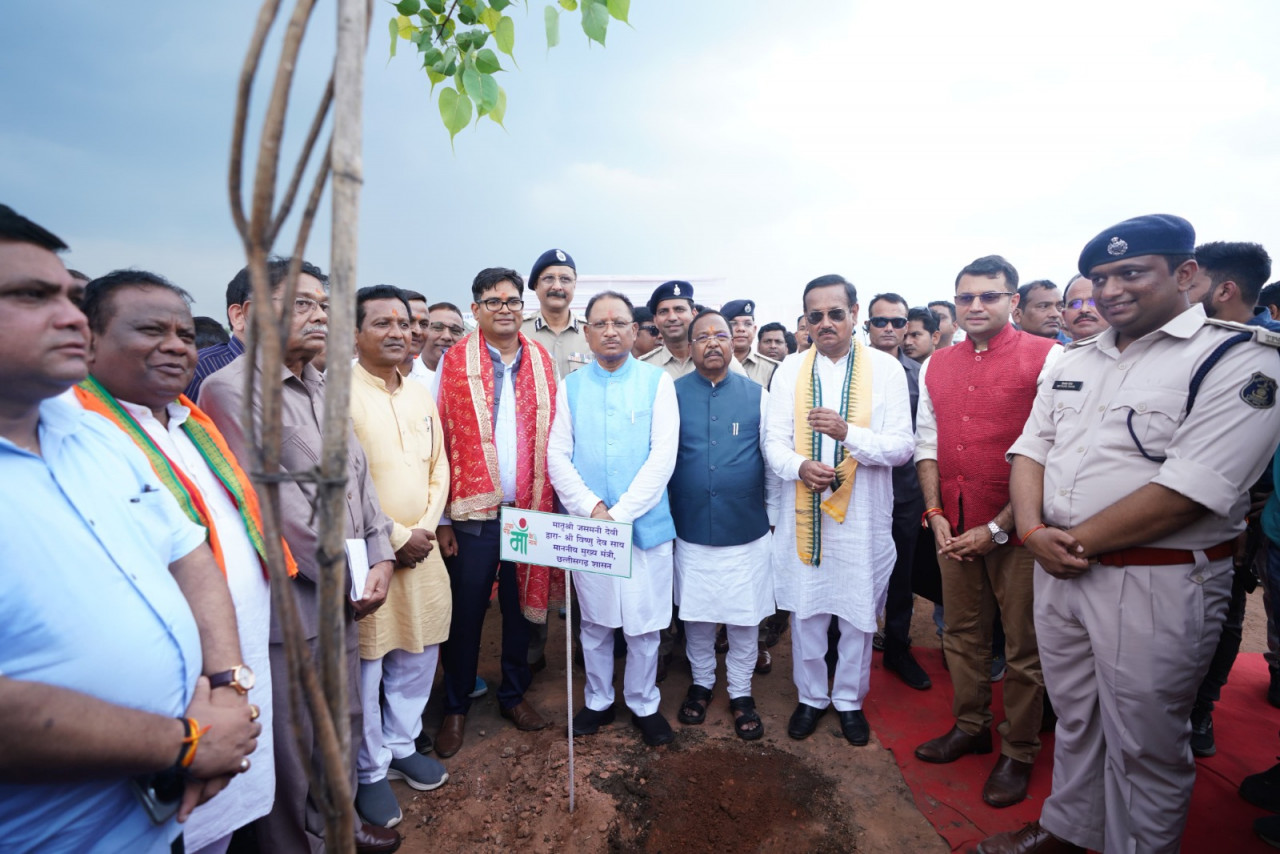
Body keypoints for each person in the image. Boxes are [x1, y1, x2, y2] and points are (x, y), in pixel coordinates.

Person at [979, 214, 1280, 854]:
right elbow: (1031, 450)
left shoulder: (1237, 358)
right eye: (1099, 277)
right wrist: (1032, 530)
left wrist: (1063, 541)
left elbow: (1190, 490)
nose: (1110, 290)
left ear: (1186, 273)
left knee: (1146, 742)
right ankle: (1070, 829)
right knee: (1078, 716)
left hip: (1156, 580)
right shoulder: (1076, 358)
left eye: (1131, 273)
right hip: (1059, 567)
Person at [0, 204, 260, 853]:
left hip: (159, 812)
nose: (71, 318)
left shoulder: (92, 437)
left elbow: (189, 555)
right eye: (33, 295)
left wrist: (228, 686)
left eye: (70, 297)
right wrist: (186, 743)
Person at [74, 269, 287, 854]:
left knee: (224, 822)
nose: (175, 346)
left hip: (234, 672)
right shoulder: (84, 434)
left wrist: (228, 681)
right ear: (88, 339)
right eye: (151, 331)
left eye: (185, 335)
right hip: (169, 702)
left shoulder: (192, 423)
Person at [198, 259, 401, 854]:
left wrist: (382, 554)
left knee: (341, 721)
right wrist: (352, 577)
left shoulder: (324, 385)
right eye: (301, 303)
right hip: (292, 603)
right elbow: (277, 506)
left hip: (347, 591)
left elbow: (359, 481)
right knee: (291, 739)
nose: (319, 316)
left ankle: (337, 825)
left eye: (324, 305)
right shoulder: (230, 391)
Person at [913, 255, 1059, 810]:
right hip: (953, 523)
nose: (975, 306)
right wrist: (935, 512)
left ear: (1013, 302)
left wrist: (998, 528)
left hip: (1020, 530)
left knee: (1023, 648)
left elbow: (1051, 451)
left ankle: (1019, 749)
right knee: (962, 634)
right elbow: (927, 442)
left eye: (989, 296)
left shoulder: (1048, 356)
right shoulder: (936, 364)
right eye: (965, 297)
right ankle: (970, 726)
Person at [766, 274, 913, 747]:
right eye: (816, 316)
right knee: (807, 612)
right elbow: (773, 443)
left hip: (863, 517)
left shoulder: (886, 370)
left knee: (856, 614)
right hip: (804, 510)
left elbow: (902, 448)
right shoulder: (790, 369)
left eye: (835, 313)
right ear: (806, 321)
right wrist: (800, 466)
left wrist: (848, 433)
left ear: (854, 314)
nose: (825, 323)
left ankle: (849, 700)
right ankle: (811, 697)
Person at [433, 267, 563, 758]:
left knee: (518, 608)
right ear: (476, 310)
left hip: (528, 510)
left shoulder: (542, 361)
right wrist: (444, 520)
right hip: (473, 515)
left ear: (522, 308)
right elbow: (440, 439)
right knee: (466, 613)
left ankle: (513, 694)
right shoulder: (454, 363)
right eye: (493, 301)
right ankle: (456, 706)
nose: (504, 309)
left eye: (512, 301)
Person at [548, 291, 679, 746]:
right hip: (590, 527)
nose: (610, 332)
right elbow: (557, 455)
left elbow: (663, 457)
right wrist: (592, 509)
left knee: (645, 624)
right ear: (586, 332)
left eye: (620, 323)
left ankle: (644, 703)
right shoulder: (570, 387)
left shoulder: (657, 382)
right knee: (595, 622)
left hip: (644, 525)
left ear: (635, 330)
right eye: (600, 324)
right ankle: (599, 700)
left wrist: (619, 515)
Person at [348, 286, 452, 829]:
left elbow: (440, 466)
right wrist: (393, 537)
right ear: (354, 333)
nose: (398, 333)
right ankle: (369, 770)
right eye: (383, 323)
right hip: (368, 553)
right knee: (369, 662)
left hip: (423, 547)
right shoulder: (336, 394)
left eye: (405, 323)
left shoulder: (418, 393)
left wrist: (424, 528)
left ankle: (402, 744)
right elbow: (344, 484)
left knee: (420, 649)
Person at [1181, 241, 1278, 757]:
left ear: (1224, 290)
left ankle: (1200, 711)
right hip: (1186, 516)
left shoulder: (1266, 356)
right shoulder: (1188, 344)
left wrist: (1258, 506)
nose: (1182, 292)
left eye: (1191, 282)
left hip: (1242, 515)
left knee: (1223, 616)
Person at [670, 310, 779, 740]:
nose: (712, 342)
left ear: (734, 342)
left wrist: (771, 518)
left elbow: (771, 462)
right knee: (696, 616)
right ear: (690, 346)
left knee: (744, 618)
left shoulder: (758, 396)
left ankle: (740, 692)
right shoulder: (671, 394)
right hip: (691, 526)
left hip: (747, 530)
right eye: (702, 337)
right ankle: (701, 683)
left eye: (720, 335)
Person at [864, 293, 931, 690]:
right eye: (880, 321)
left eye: (897, 322)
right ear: (867, 326)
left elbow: (928, 436)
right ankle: (838, 649)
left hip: (905, 491)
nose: (889, 328)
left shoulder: (922, 374)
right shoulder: (851, 372)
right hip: (856, 490)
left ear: (907, 327)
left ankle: (897, 648)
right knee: (852, 569)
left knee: (902, 576)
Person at [524, 248, 590, 380]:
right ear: (536, 285)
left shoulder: (591, 333)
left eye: (565, 279)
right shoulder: (519, 332)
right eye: (549, 279)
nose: (557, 286)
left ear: (574, 285)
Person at [722, 298, 779, 387]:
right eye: (733, 323)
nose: (741, 329)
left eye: (748, 324)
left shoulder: (771, 368)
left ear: (754, 330)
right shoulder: (711, 363)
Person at [398, 288, 435, 391]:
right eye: (408, 322)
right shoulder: (357, 374)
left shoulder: (434, 382)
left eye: (424, 324)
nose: (418, 331)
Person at [1060, 274, 1108, 341]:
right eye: (1075, 304)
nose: (1084, 309)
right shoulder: (1054, 348)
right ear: (1064, 316)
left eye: (1093, 302)